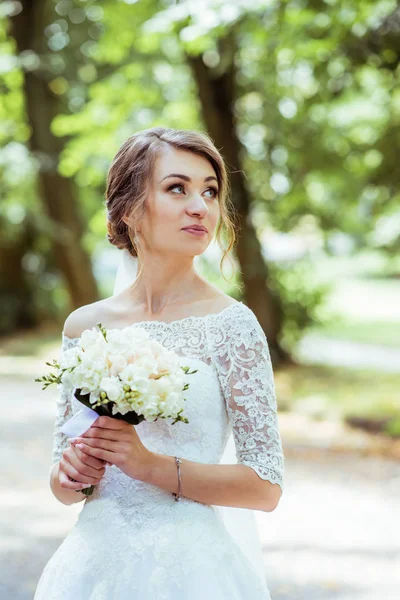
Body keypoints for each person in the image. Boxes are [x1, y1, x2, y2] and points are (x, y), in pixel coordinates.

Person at [34, 127, 285, 599]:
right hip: (92, 569)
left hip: (191, 572)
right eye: (177, 188)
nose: (200, 206)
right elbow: (64, 485)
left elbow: (264, 486)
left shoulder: (233, 325)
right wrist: (72, 473)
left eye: (210, 191)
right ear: (130, 209)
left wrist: (147, 465)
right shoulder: (85, 328)